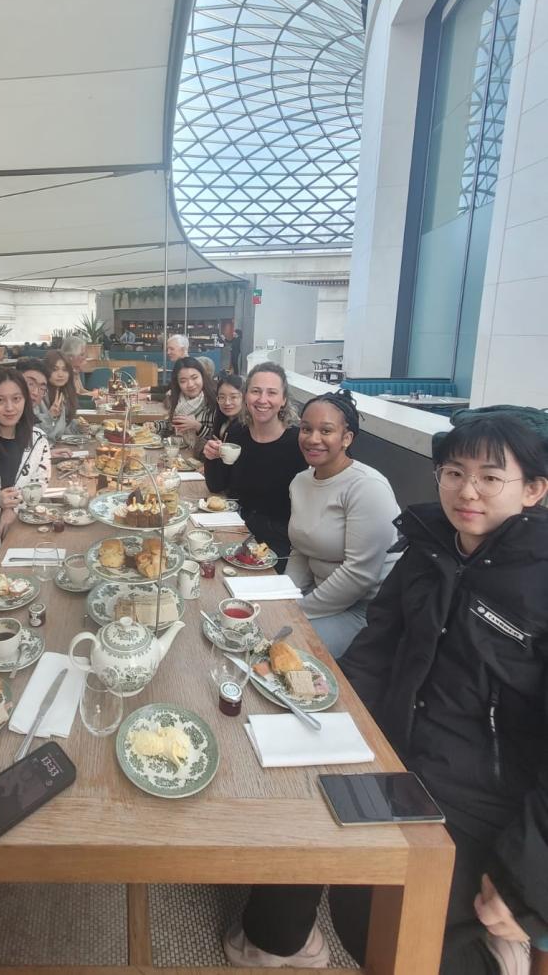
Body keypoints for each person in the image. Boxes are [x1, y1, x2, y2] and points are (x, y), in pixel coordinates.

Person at [226, 410, 548, 975]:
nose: (466, 490)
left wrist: (532, 881)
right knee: (292, 796)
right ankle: (279, 940)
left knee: (406, 936)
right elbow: (375, 651)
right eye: (453, 472)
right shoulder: (430, 549)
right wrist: (329, 721)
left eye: (490, 478)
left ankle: (502, 947)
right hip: (397, 747)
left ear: (533, 490)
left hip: (482, 800)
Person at [286, 389, 399, 657]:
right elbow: (301, 548)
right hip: (320, 594)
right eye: (306, 429)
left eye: (326, 431)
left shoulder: (367, 487)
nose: (313, 439)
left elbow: (359, 574)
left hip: (366, 610)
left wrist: (297, 612)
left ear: (346, 438)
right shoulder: (300, 481)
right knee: (257, 624)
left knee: (286, 646)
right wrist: (284, 597)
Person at [203, 364, 305, 562]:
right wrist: (212, 459)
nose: (262, 400)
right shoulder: (237, 432)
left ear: (283, 400)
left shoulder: (297, 443)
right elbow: (217, 486)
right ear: (246, 396)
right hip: (234, 530)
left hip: (277, 544)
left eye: (272, 393)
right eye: (256, 391)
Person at [0, 368, 50, 564]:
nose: (9, 408)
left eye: (16, 399)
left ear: (25, 400)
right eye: (0, 400)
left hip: (22, 539)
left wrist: (12, 508)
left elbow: (38, 484)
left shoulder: (37, 440)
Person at [154, 356, 216, 451]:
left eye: (194, 378)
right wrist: (154, 426)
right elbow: (173, 425)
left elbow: (220, 439)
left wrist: (197, 426)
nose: (190, 384)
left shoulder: (215, 402)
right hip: (180, 455)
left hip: (204, 459)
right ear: (177, 383)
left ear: (202, 376)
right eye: (183, 381)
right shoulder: (177, 400)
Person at [37, 350, 82, 443]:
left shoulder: (64, 392)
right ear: (45, 371)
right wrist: (50, 416)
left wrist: (78, 427)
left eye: (65, 370)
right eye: (55, 369)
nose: (60, 374)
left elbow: (62, 426)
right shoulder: (37, 396)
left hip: (60, 446)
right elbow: (35, 433)